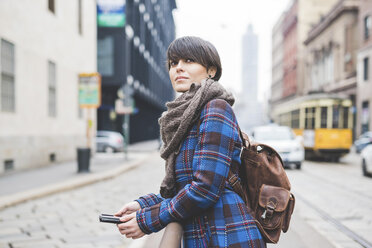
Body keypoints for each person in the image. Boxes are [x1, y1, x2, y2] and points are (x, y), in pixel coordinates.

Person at [115, 36, 266, 247]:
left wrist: (147, 221)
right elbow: (182, 189)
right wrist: (142, 205)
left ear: (211, 70)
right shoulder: (186, 117)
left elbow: (204, 189)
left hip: (225, 234)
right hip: (204, 233)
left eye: (188, 61)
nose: (178, 68)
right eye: (173, 63)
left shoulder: (216, 109)